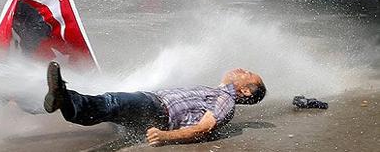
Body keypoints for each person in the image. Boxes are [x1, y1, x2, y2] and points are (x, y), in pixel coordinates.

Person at [44, 62, 267, 146]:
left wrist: (165, 136)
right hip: (154, 109)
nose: (242, 69)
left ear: (245, 90)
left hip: (157, 110)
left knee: (113, 102)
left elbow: (205, 127)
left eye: (247, 74)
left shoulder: (226, 100)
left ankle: (66, 99)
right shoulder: (217, 93)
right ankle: (66, 101)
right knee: (112, 108)